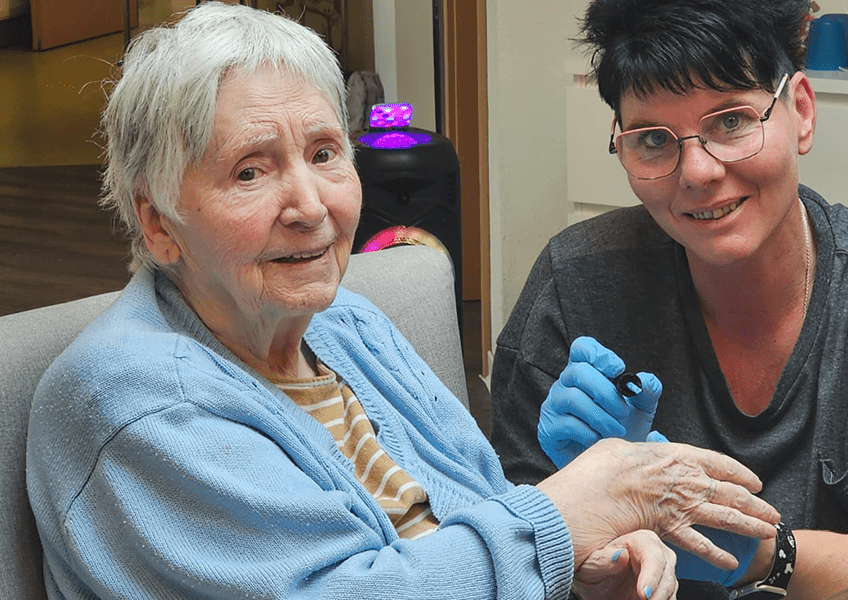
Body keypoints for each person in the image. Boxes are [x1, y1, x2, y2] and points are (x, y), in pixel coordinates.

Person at [24, 4, 784, 599]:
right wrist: (569, 514)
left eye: (325, 154)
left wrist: (581, 566)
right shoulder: (130, 404)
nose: (311, 206)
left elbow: (483, 509)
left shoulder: (347, 326)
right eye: (250, 171)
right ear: (158, 224)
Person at [489, 0, 848, 598]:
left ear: (801, 111)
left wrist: (754, 550)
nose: (698, 172)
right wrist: (587, 541)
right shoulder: (576, 284)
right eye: (652, 140)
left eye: (731, 121)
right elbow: (510, 547)